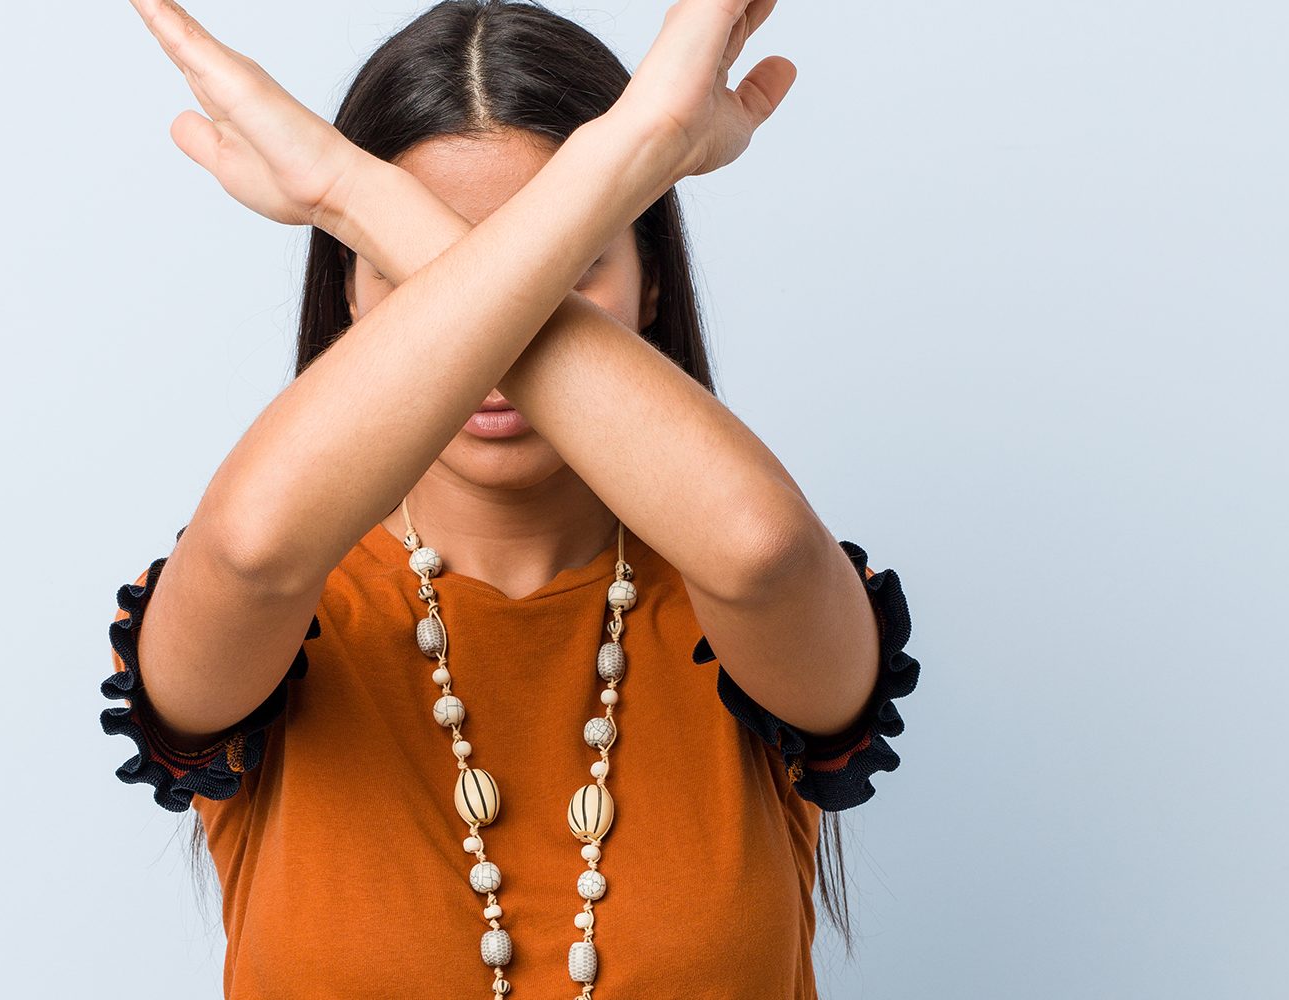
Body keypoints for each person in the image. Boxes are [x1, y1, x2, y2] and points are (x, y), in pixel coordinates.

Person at [100, 1, 922, 996]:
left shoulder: (747, 599)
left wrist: (369, 201)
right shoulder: (272, 607)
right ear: (350, 294)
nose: (484, 361)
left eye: (572, 266)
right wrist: (357, 192)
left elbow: (758, 548)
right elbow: (246, 549)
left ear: (651, 285)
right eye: (414, 276)